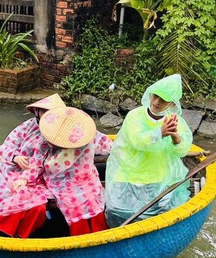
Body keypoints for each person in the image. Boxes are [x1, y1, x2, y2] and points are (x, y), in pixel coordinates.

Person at [104, 74, 193, 228]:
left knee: (163, 211)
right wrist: (160, 133)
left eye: (163, 99)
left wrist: (175, 137)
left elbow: (182, 150)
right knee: (116, 210)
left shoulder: (175, 121)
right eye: (155, 96)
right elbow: (137, 141)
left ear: (172, 103)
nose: (156, 102)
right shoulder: (134, 116)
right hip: (127, 173)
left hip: (160, 175)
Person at [0, 93, 67, 238]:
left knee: (38, 208)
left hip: (40, 176)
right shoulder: (26, 127)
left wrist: (31, 175)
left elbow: (49, 162)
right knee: (21, 194)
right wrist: (16, 158)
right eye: (44, 111)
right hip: (12, 170)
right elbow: (6, 147)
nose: (48, 115)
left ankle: (21, 237)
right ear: (37, 112)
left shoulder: (59, 134)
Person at [39, 107, 113, 236]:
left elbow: (109, 146)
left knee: (93, 199)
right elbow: (46, 166)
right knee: (74, 204)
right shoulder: (51, 139)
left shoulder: (89, 135)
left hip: (87, 178)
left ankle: (99, 234)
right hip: (64, 184)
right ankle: (86, 236)